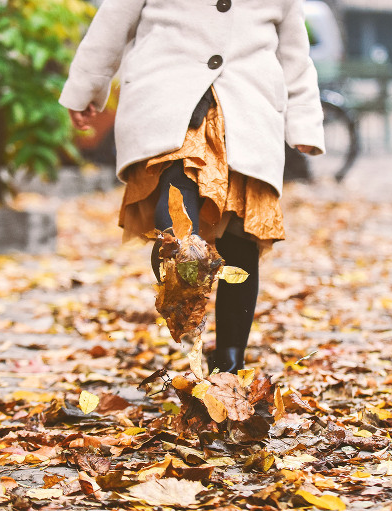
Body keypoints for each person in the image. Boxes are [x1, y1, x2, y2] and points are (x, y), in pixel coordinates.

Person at [60, 0, 325, 374]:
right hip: (168, 105)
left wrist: (304, 121)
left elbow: (295, 54)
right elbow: (112, 22)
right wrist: (86, 88)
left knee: (241, 237)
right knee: (178, 221)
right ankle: (183, 287)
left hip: (247, 114)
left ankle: (230, 358)